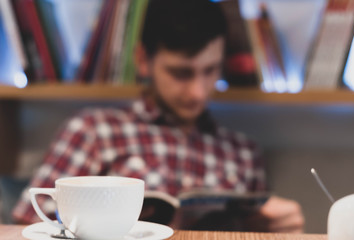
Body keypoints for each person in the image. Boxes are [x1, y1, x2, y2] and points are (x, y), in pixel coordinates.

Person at [12, 0, 304, 232]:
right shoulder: (93, 131)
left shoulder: (243, 152)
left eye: (210, 71)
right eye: (181, 73)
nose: (198, 93)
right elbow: (27, 224)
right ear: (143, 60)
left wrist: (272, 228)